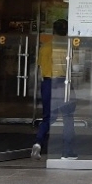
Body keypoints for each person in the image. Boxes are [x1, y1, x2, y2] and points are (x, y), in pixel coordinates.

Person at [32, 18, 77, 159]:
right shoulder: (69, 47)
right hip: (64, 83)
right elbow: (76, 68)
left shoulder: (45, 47)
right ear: (67, 31)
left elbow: (40, 67)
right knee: (68, 117)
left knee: (47, 117)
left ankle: (38, 143)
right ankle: (67, 151)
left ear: (53, 31)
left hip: (47, 83)